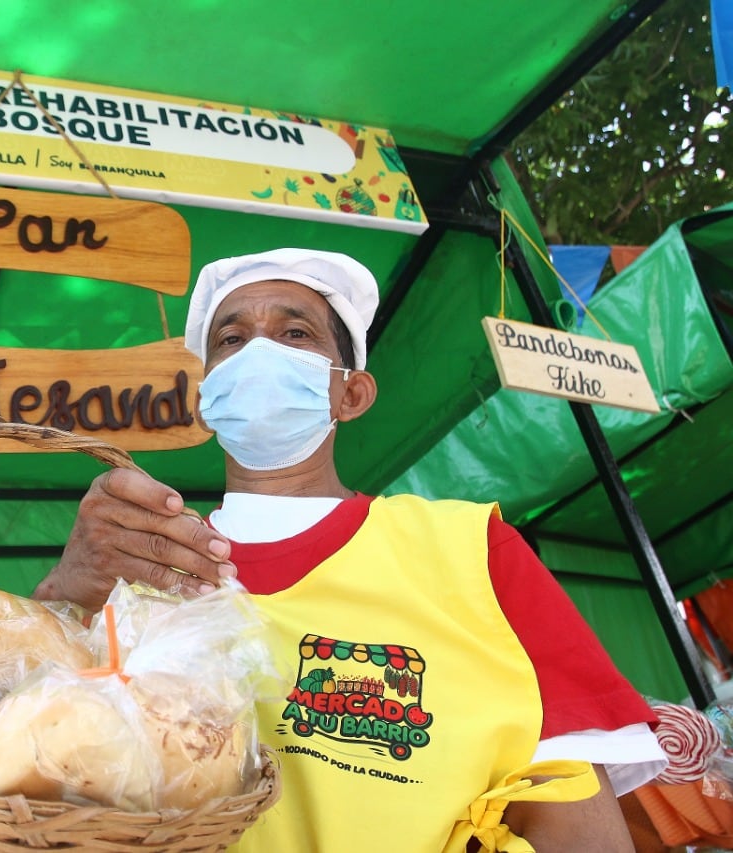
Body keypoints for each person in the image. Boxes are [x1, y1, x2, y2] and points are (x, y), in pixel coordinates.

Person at [33, 248, 666, 852]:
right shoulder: (139, 561)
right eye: (231, 339)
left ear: (351, 394)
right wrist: (67, 587)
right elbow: (5, 745)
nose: (258, 351)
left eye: (296, 333)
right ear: (208, 398)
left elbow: (574, 812)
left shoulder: (472, 550)